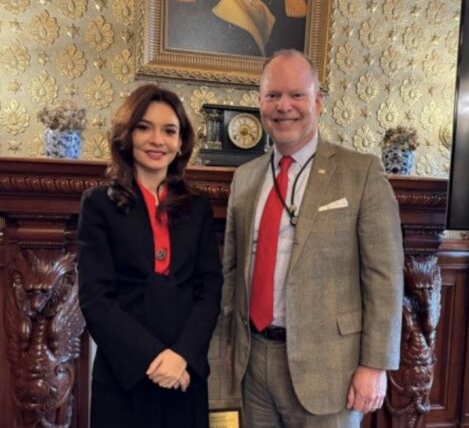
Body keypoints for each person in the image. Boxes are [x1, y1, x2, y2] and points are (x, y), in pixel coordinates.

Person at [222, 49, 404, 428]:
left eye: (297, 95)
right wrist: (230, 341)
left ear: (318, 101)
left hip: (332, 370)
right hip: (254, 362)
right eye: (273, 95)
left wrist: (375, 365)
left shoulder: (361, 173)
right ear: (260, 102)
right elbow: (232, 270)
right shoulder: (245, 177)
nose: (283, 106)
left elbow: (384, 277)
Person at [77, 84, 223, 428]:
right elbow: (96, 298)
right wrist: (155, 358)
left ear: (181, 142)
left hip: (185, 372)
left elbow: (210, 290)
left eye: (169, 131)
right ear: (127, 134)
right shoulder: (98, 204)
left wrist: (182, 356)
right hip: (124, 374)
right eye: (144, 127)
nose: (157, 140)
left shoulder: (199, 207)